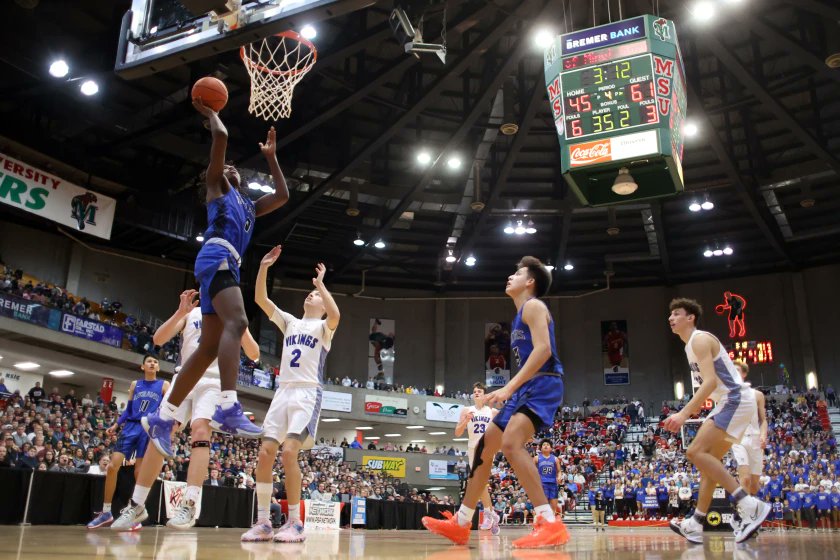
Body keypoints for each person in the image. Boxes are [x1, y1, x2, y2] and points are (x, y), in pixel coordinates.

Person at [142, 100, 290, 457]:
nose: (231, 167)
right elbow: (221, 134)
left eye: (233, 166)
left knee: (209, 347)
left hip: (230, 262)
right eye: (226, 166)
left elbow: (284, 196)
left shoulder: (250, 206)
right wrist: (209, 111)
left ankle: (162, 417)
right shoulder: (217, 189)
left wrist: (271, 157)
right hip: (216, 254)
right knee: (237, 321)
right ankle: (228, 403)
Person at [422, 256, 569, 549]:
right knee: (483, 448)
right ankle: (461, 523)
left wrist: (510, 386)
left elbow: (544, 350)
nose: (510, 276)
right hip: (524, 388)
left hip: (543, 384)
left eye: (517, 272)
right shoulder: (518, 316)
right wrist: (507, 391)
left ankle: (549, 522)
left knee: (512, 443)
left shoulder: (534, 305)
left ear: (530, 282)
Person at [110, 289, 259, 531]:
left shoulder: (232, 314)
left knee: (201, 430)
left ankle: (189, 504)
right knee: (158, 433)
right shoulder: (193, 312)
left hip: (213, 380)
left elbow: (254, 353)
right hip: (184, 377)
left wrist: (241, 323)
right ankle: (137, 505)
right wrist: (181, 312)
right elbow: (158, 339)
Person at [241, 246, 340, 543]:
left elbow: (337, 314)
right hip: (282, 393)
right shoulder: (290, 322)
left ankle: (295, 522)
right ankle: (262, 522)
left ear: (322, 304)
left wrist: (321, 284)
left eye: (317, 297)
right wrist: (263, 267)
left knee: (288, 452)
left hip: (307, 394)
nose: (312, 296)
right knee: (265, 452)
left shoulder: (324, 327)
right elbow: (260, 299)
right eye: (311, 294)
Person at [664, 298, 770, 544]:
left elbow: (710, 382)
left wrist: (683, 414)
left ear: (690, 317)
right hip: (729, 402)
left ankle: (749, 505)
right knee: (708, 463)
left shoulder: (700, 339)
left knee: (694, 451)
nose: (671, 318)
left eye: (676, 313)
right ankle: (697, 522)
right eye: (670, 314)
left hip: (734, 399)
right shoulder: (689, 345)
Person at [87, 354, 167, 529]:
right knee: (112, 466)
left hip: (148, 428)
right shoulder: (135, 384)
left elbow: (168, 408)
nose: (152, 363)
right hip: (130, 427)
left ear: (158, 368)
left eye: (155, 362)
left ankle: (135, 511)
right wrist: (116, 425)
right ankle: (106, 512)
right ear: (142, 367)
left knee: (139, 473)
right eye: (149, 361)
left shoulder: (164, 385)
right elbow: (129, 409)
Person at [454, 382, 499, 533]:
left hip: (486, 448)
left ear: (485, 395)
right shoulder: (467, 410)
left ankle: (487, 514)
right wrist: (465, 420)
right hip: (472, 449)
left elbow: (507, 424)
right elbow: (458, 432)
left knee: (478, 480)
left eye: (479, 391)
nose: (477, 393)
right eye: (475, 391)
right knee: (477, 482)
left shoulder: (492, 412)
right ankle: (491, 514)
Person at [729, 360, 767, 498]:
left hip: (755, 439)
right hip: (738, 439)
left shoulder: (757, 395)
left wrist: (763, 435)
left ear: (744, 373)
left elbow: (763, 420)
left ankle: (750, 504)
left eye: (737, 370)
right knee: (744, 478)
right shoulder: (727, 394)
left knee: (754, 486)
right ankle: (744, 513)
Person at [534, 439, 563, 519]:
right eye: (544, 445)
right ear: (540, 448)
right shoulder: (537, 458)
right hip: (542, 483)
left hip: (553, 484)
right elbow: (532, 470)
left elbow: (559, 471)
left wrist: (559, 477)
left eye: (547, 444)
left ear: (551, 448)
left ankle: (550, 525)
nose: (546, 446)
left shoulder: (555, 459)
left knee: (553, 507)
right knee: (543, 507)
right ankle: (539, 525)